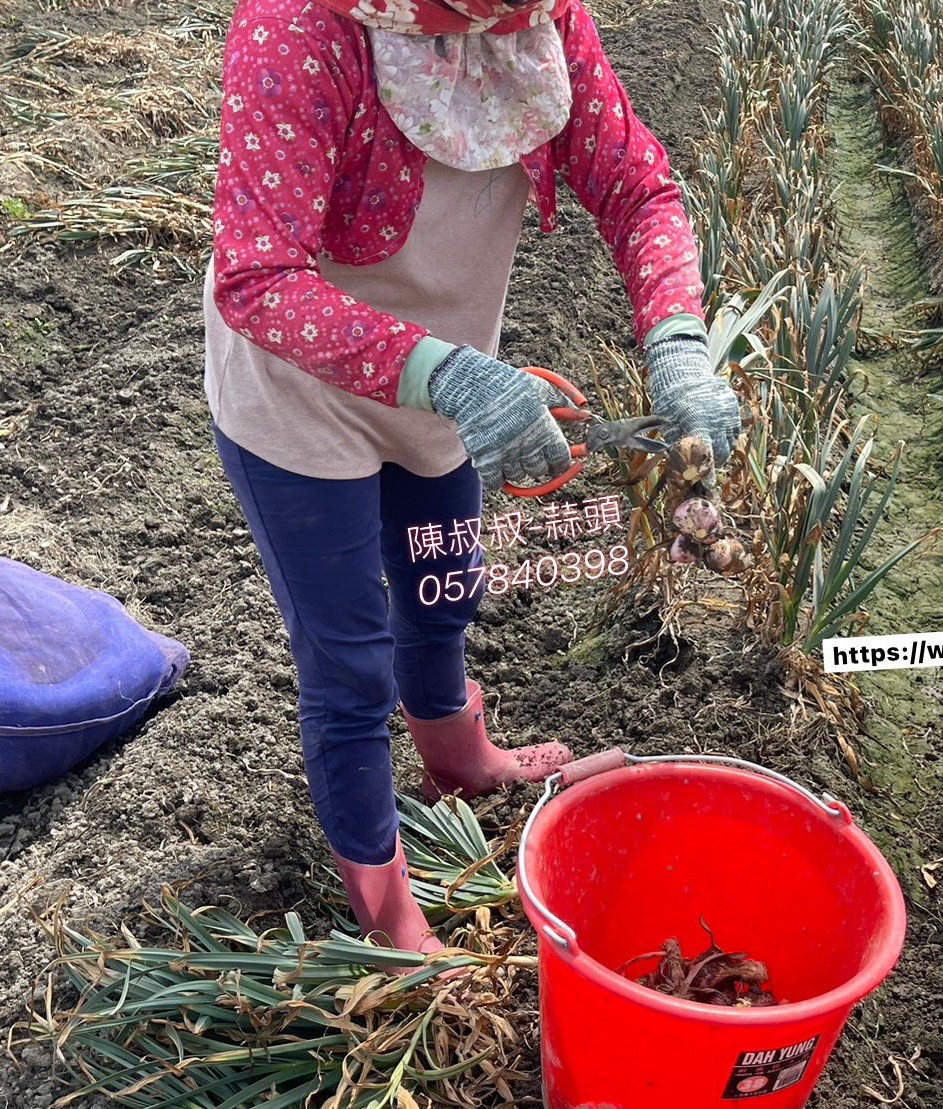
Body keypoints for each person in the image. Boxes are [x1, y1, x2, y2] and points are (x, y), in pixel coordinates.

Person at [204, 0, 740, 965]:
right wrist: (451, 376)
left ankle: (458, 759)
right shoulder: (299, 26)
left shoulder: (539, 19)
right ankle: (386, 912)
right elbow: (257, 276)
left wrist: (678, 340)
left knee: (445, 583)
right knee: (350, 663)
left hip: (453, 384)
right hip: (301, 395)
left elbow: (637, 189)